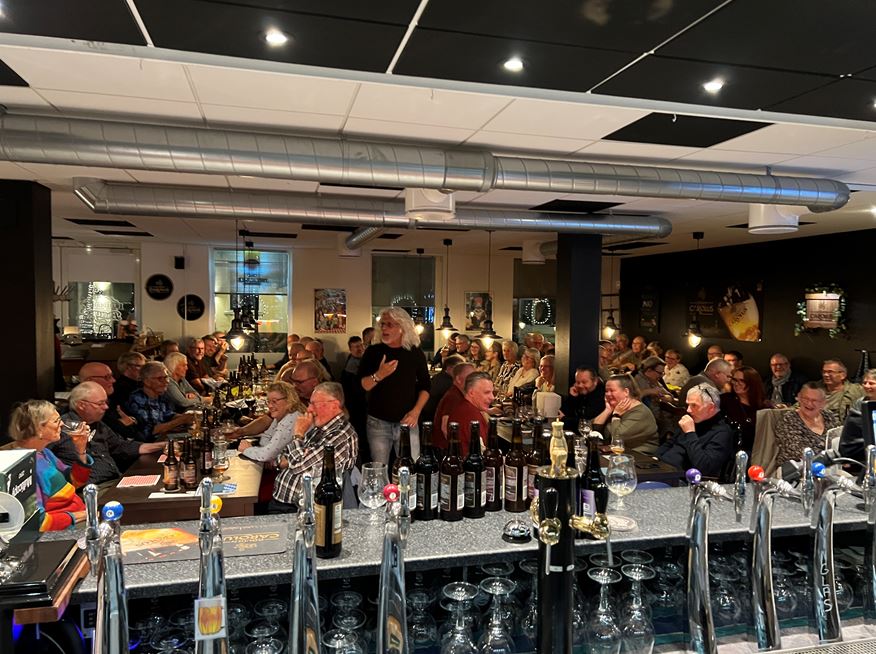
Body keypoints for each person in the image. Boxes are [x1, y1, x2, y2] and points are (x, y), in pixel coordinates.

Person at [269, 382, 358, 513]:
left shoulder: (340, 436)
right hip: (286, 504)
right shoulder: (320, 428)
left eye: (314, 404)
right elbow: (282, 455)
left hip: (303, 509)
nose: (309, 409)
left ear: (334, 405)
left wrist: (298, 435)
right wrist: (291, 458)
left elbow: (298, 466)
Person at [52, 382, 163, 485]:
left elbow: (120, 446)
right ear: (81, 405)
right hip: (91, 488)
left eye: (106, 402)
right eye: (100, 403)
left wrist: (161, 446)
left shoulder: (98, 424)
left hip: (114, 480)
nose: (106, 407)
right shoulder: (61, 428)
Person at [359, 307, 431, 464]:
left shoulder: (414, 353)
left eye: (390, 324)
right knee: (379, 469)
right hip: (378, 421)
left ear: (402, 327)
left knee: (410, 467)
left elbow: (425, 386)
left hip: (408, 420)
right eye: (382, 324)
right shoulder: (373, 352)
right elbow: (363, 385)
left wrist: (416, 412)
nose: (384, 328)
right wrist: (379, 375)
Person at [9, 400, 92, 531]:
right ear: (38, 429)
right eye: (56, 421)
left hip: (79, 515)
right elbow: (38, 523)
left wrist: (81, 449)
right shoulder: (24, 467)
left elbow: (76, 481)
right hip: (65, 530)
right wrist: (82, 515)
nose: (62, 424)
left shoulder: (44, 452)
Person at [656, 383, 735, 479]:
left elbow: (704, 467)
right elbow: (669, 444)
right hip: (662, 470)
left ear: (711, 407)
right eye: (688, 405)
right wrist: (655, 459)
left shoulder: (722, 433)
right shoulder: (696, 419)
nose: (688, 410)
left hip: (683, 479)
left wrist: (690, 433)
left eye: (694, 405)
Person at [775, 383, 840, 468]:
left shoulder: (829, 416)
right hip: (796, 469)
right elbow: (798, 452)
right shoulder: (789, 419)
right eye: (805, 399)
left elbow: (839, 441)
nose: (809, 404)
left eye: (814, 400)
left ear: (823, 403)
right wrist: (832, 456)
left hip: (829, 466)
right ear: (799, 398)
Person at [236, 381, 305, 462]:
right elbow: (265, 440)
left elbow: (266, 456)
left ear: (289, 401)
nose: (269, 406)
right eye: (268, 401)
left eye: (274, 401)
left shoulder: (291, 420)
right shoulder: (281, 415)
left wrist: (247, 449)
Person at [125, 362, 194, 442]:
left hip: (164, 437)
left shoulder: (160, 395)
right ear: (146, 381)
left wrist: (187, 417)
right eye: (160, 378)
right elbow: (150, 431)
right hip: (148, 444)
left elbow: (168, 415)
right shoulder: (137, 399)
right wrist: (180, 420)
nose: (166, 381)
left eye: (166, 377)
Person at [592, 374, 659, 454]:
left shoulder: (640, 413)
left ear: (626, 392)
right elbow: (594, 431)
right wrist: (607, 410)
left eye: (612, 391)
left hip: (639, 456)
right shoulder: (615, 407)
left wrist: (616, 416)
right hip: (616, 453)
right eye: (606, 391)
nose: (608, 394)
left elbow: (617, 439)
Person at [78, 361, 138, 439]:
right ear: (90, 380)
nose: (113, 380)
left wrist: (131, 420)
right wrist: (120, 424)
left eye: (112, 376)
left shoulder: (115, 399)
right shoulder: (83, 406)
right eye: (107, 377)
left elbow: (133, 423)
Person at [720, 366, 768, 454]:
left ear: (752, 383)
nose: (736, 384)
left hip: (757, 451)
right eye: (735, 380)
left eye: (741, 381)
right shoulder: (725, 401)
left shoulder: (763, 406)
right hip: (730, 450)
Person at [446, 372, 494, 458]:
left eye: (492, 392)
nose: (492, 397)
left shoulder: (462, 408)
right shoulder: (472, 416)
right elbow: (483, 454)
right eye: (487, 392)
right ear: (471, 393)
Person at [433, 361, 477, 451]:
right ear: (458, 379)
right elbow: (445, 427)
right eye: (470, 377)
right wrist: (456, 451)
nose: (474, 381)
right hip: (444, 449)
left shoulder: (457, 393)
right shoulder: (453, 397)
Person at [838, 368, 876, 465]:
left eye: (871, 383)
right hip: (862, 448)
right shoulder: (859, 403)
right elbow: (852, 431)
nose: (867, 386)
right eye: (865, 383)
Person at [340, 335, 369, 463]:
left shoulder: (363, 361)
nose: (359, 349)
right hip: (356, 406)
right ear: (350, 349)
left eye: (361, 345)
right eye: (356, 347)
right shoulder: (351, 367)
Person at [421, 354, 466, 426]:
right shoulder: (449, 383)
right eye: (460, 368)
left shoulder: (438, 377)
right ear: (449, 368)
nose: (462, 371)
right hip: (434, 421)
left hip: (426, 418)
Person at [560, 366, 606, 431]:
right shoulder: (581, 393)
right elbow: (562, 412)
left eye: (584, 382)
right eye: (578, 382)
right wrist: (572, 398)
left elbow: (585, 423)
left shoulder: (601, 397)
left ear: (595, 381)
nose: (580, 385)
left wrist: (564, 419)